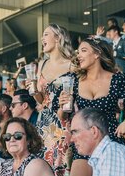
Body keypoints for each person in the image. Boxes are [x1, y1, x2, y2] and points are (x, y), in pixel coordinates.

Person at [59, 38, 125, 176]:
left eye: (83, 50)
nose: (79, 55)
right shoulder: (73, 80)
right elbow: (62, 117)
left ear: (97, 54)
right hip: (85, 143)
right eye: (78, 52)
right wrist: (63, 105)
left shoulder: (116, 80)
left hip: (110, 141)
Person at [30, 23, 74, 176]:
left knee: (61, 162)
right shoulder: (42, 64)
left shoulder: (71, 64)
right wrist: (34, 90)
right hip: (44, 122)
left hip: (64, 120)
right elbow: (41, 101)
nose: (42, 38)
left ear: (58, 38)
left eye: (46, 34)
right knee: (44, 164)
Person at [70, 108, 125, 176]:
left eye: (75, 132)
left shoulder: (111, 153)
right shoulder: (105, 153)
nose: (72, 139)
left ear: (94, 131)